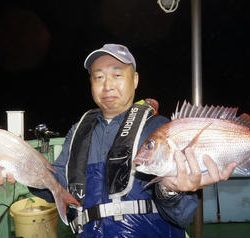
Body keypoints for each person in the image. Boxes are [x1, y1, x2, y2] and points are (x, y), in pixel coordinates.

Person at [0, 43, 237, 238]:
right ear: (91, 84)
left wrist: (172, 192)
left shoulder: (159, 129)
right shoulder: (78, 132)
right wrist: (24, 168)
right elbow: (58, 187)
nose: (108, 85)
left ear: (134, 80)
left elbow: (182, 216)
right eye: (98, 77)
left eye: (117, 74)